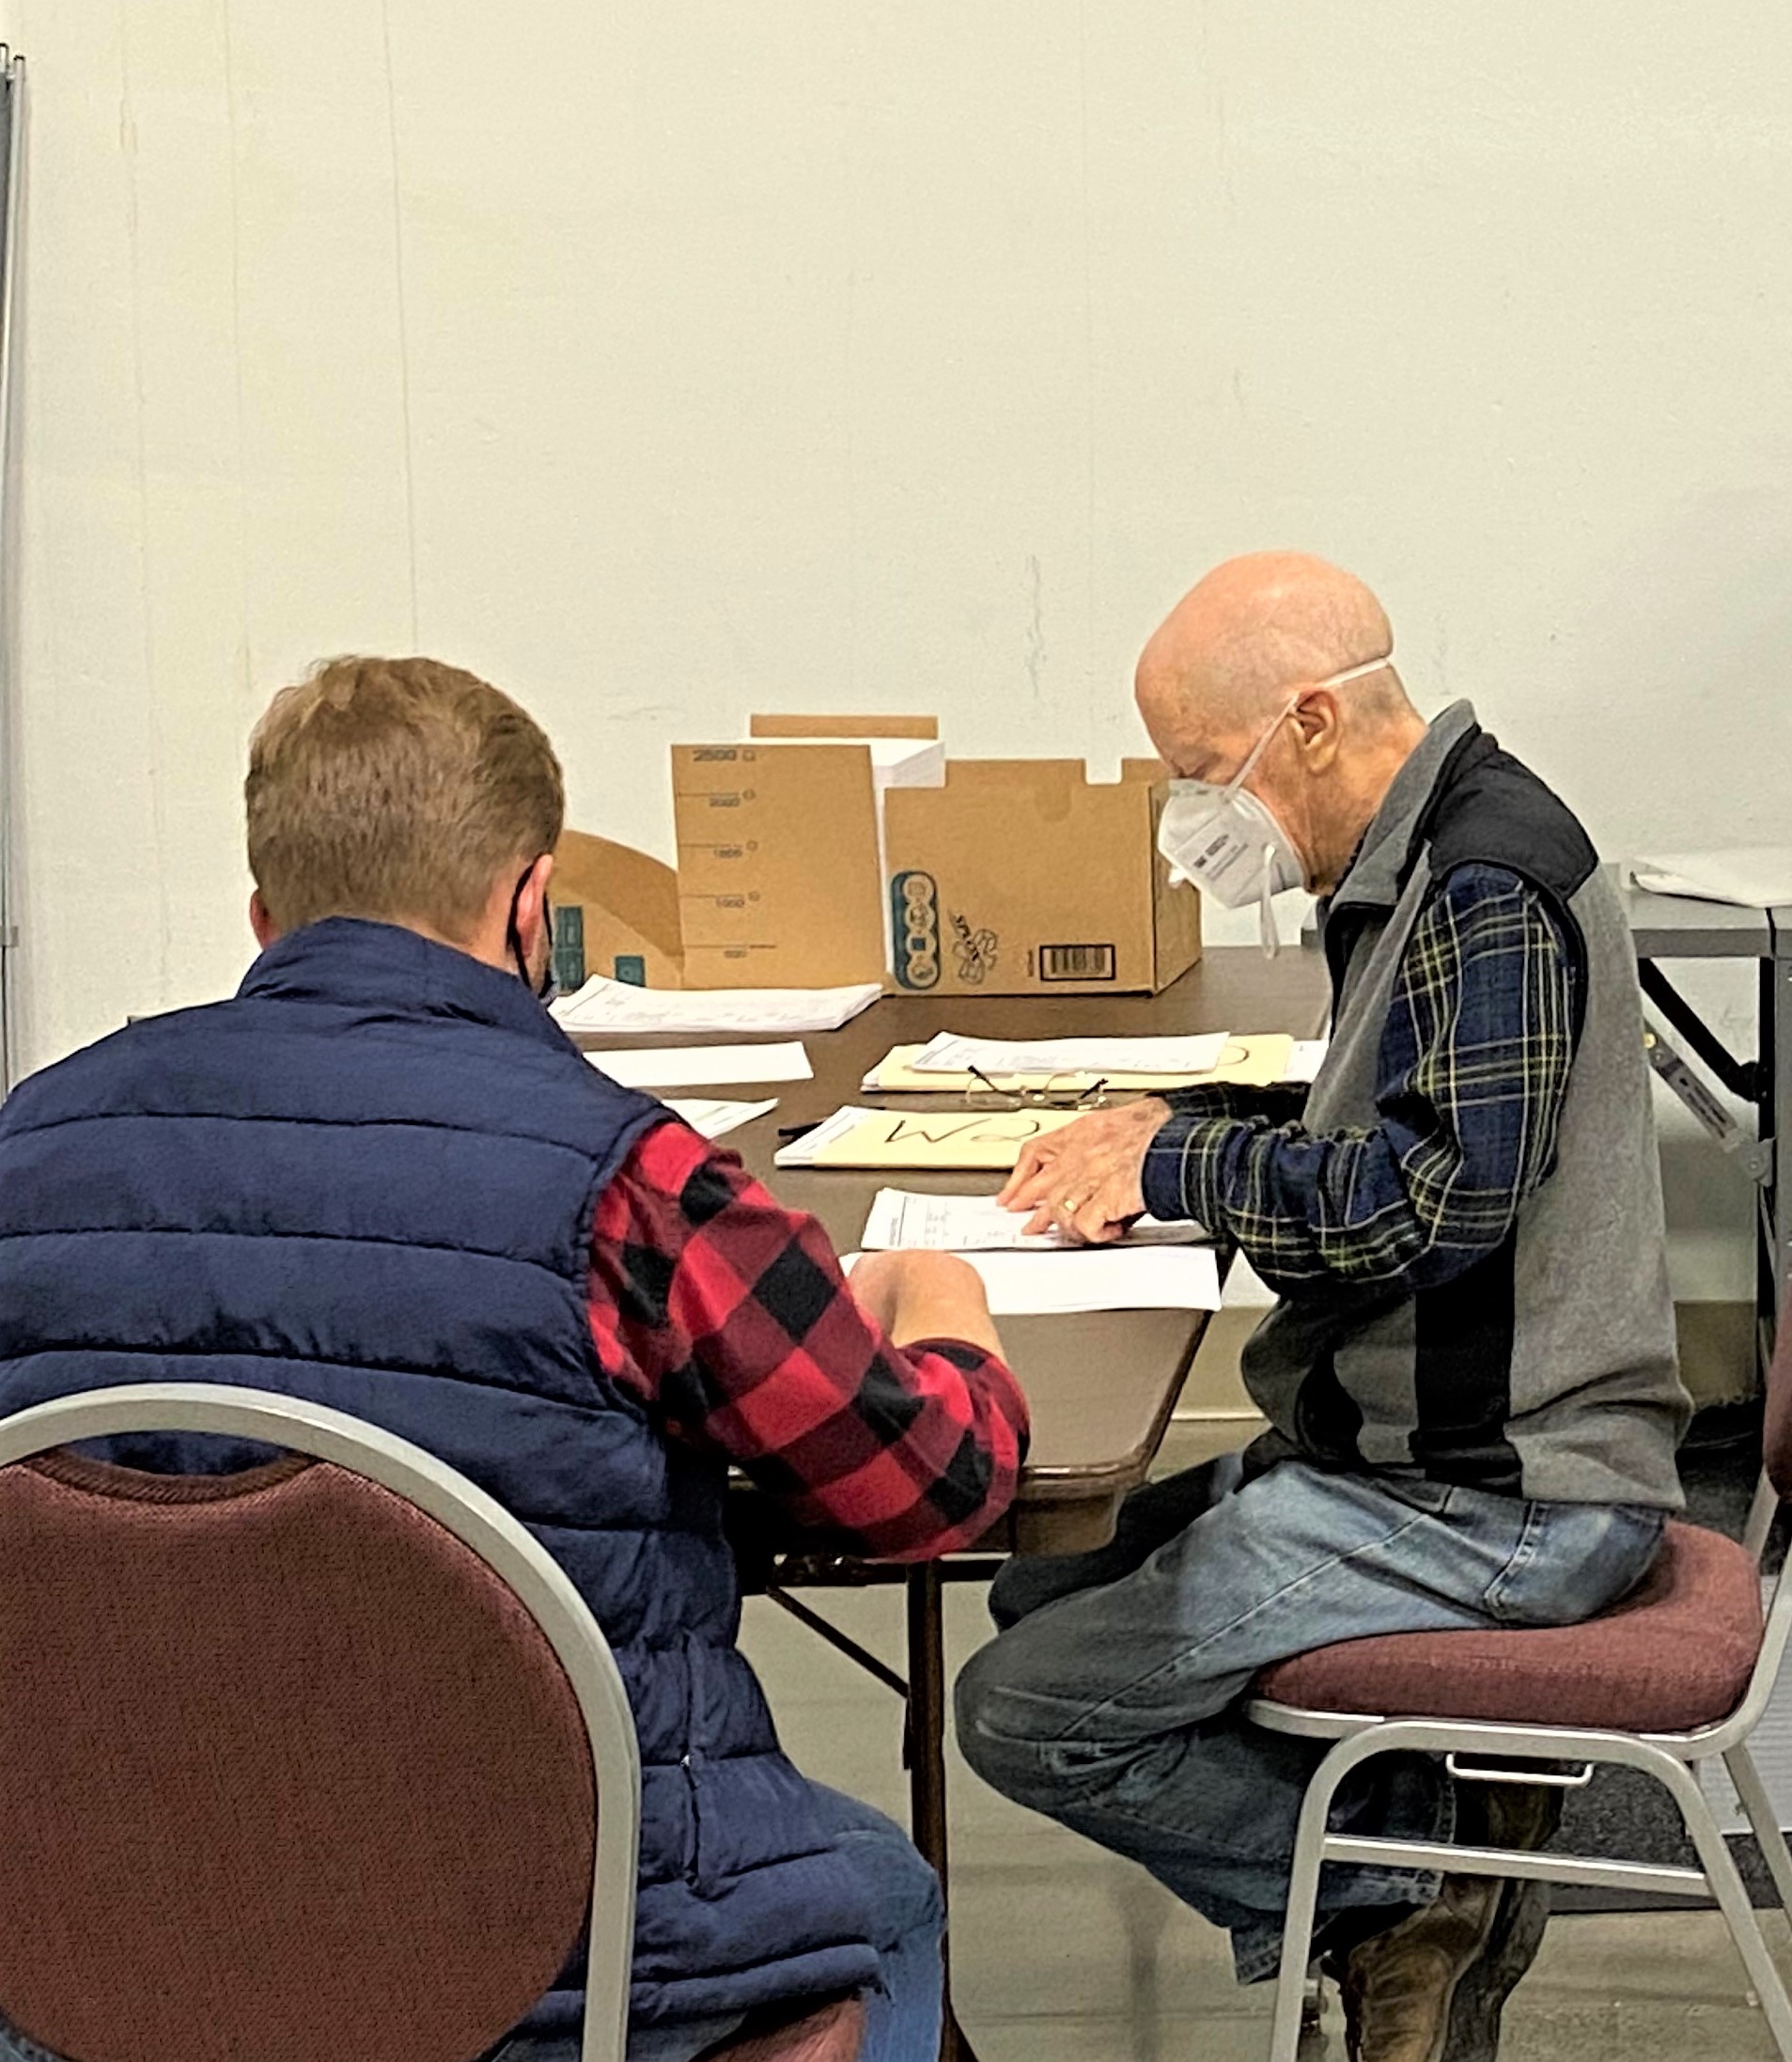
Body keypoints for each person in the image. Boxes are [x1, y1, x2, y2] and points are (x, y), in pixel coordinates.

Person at [0, 656, 1025, 2062]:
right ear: (531, 904)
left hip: (103, 1953)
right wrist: (945, 1309)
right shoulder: (628, 1180)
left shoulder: (29, 1146)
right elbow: (926, 1486)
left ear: (262, 913)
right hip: (580, 1964)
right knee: (888, 1899)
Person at [955, 552, 1689, 2062]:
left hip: (1503, 1495)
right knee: (1044, 1586)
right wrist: (1177, 1121)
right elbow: (1389, 1113)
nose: (1186, 823)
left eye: (1196, 774)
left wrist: (1182, 1163)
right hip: (1403, 1450)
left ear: (1304, 722)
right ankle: (1427, 1833)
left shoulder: (1485, 882)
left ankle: (1390, 1897)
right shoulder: (1416, 853)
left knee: (1024, 1706)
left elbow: (1423, 1205)